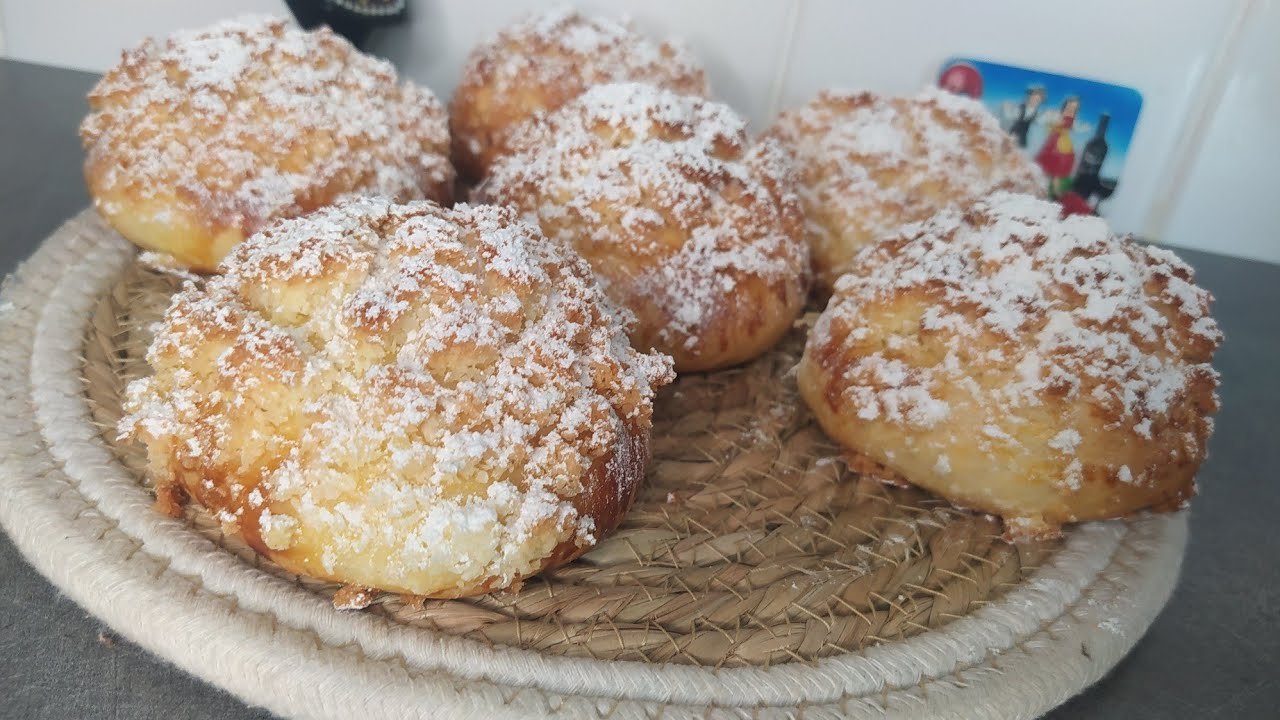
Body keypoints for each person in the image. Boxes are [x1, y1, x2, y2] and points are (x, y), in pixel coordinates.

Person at [1036, 96, 1080, 198]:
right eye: (1070, 107)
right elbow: (1050, 125)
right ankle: (1041, 187)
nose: (1072, 110)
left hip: (1064, 142)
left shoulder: (1072, 118)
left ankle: (1055, 191)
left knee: (1061, 167)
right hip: (1055, 140)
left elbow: (1073, 128)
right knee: (1049, 163)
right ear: (1065, 106)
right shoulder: (1058, 116)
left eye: (1075, 108)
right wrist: (1055, 125)